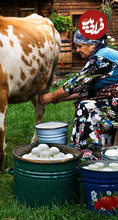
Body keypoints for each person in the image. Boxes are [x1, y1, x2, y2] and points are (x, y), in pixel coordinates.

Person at [40, 29, 118, 160]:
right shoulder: (101, 55)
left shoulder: (101, 58)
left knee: (87, 107)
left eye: (80, 46)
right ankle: (81, 148)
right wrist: (62, 98)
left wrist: (51, 96)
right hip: (112, 98)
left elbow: (76, 83)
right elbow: (88, 89)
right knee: (87, 103)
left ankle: (88, 156)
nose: (77, 50)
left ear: (92, 44)